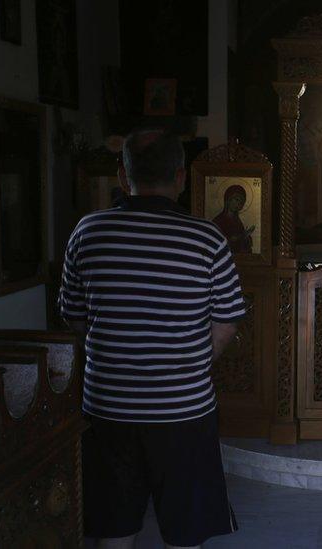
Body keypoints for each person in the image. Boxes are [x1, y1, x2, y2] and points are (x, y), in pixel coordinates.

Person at [59, 129, 246, 549]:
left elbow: (73, 316)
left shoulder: (88, 232)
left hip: (108, 409)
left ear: (124, 177)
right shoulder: (206, 239)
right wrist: (191, 362)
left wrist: (114, 353)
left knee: (114, 528)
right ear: (181, 177)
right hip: (184, 411)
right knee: (184, 531)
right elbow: (229, 320)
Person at [212, 184, 254, 253]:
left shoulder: (237, 222)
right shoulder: (218, 221)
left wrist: (246, 237)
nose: (238, 204)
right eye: (236, 200)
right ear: (228, 199)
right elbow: (215, 241)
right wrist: (234, 239)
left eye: (241, 202)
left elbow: (243, 245)